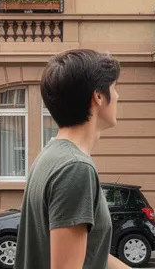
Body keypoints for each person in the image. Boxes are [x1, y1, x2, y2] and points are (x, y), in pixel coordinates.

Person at [15, 49, 128, 269]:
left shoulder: (52, 155)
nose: (117, 96)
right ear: (98, 97)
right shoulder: (75, 168)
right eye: (114, 88)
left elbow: (90, 253)